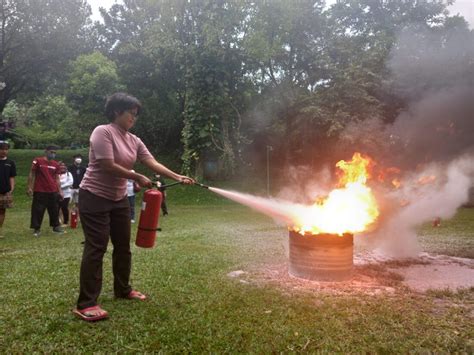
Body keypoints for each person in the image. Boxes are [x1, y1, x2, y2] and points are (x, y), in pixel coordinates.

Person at [73, 93, 194, 322]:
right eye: (131, 113)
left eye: (136, 114)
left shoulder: (134, 140)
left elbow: (152, 162)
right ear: (117, 111)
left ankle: (123, 289)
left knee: (123, 246)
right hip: (94, 196)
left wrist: (177, 175)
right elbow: (107, 165)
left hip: (118, 198)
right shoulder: (103, 132)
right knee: (96, 247)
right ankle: (86, 303)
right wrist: (136, 176)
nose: (134, 118)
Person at [27, 145, 64, 237]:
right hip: (40, 190)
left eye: (55, 153)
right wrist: (29, 187)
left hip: (53, 191)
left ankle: (56, 227)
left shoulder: (55, 164)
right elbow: (32, 173)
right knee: (38, 210)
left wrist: (60, 191)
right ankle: (37, 229)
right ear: (46, 151)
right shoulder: (38, 161)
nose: (53, 154)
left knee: (54, 210)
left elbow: (57, 179)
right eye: (51, 152)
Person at [0, 141, 16, 238]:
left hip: (5, 192)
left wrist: (12, 188)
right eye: (2, 149)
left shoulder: (10, 163)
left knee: (2, 212)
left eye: (6, 149)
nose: (4, 151)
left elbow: (12, 177)